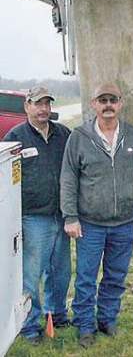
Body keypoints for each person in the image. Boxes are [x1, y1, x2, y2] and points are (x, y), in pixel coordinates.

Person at [60, 83, 133, 348]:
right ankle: (84, 325)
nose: (108, 105)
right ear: (94, 104)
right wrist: (70, 217)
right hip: (90, 224)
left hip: (124, 223)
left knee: (115, 275)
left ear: (120, 103)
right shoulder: (79, 137)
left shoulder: (132, 136)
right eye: (102, 100)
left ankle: (107, 318)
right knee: (86, 277)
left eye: (112, 100)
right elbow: (68, 179)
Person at [4, 86, 71, 343]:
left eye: (47, 103)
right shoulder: (15, 137)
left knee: (60, 271)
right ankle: (29, 325)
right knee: (31, 274)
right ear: (27, 107)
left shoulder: (63, 134)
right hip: (33, 218)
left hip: (61, 214)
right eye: (37, 103)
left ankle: (57, 314)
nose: (43, 109)